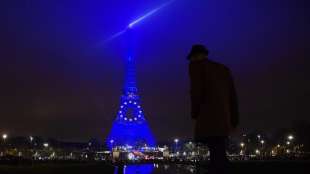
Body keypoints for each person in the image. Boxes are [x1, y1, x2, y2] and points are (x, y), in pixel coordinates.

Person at [188, 44, 239, 174]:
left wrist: (195, 112)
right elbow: (232, 95)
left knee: (214, 152)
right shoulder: (223, 69)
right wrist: (234, 118)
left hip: (208, 115)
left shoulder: (196, 67)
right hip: (223, 117)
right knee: (219, 150)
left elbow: (196, 92)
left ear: (195, 56)